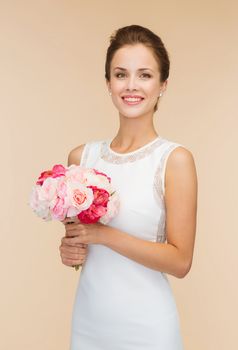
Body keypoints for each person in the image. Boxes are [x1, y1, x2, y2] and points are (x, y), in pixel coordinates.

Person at [59, 24, 198, 350]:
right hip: (89, 323)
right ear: (108, 82)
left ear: (163, 84)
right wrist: (69, 250)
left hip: (147, 328)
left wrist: (103, 235)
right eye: (121, 74)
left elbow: (181, 262)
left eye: (145, 75)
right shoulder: (82, 157)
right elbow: (77, 241)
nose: (131, 85)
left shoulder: (174, 160)